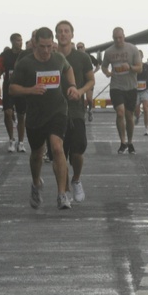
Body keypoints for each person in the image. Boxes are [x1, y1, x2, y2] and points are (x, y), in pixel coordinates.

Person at [11, 26, 81, 210]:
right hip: (35, 115)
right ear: (35, 44)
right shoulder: (25, 64)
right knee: (36, 155)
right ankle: (36, 183)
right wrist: (30, 90)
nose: (46, 51)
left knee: (57, 148)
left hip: (58, 110)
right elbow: (12, 89)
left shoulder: (58, 58)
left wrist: (72, 85)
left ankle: (62, 194)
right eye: (42, 46)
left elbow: (68, 68)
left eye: (49, 46)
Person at [56, 21, 96, 202]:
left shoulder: (82, 57)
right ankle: (64, 190)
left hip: (76, 109)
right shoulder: (51, 57)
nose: (63, 34)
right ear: (56, 36)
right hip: (55, 111)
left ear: (72, 35)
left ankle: (76, 179)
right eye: (60, 32)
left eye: (66, 31)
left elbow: (91, 80)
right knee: (59, 153)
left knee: (78, 151)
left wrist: (80, 92)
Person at [101, 27, 142, 154]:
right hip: (116, 86)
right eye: (115, 38)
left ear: (124, 36)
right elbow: (103, 66)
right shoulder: (108, 52)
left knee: (129, 116)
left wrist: (129, 67)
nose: (118, 40)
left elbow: (139, 68)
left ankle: (130, 142)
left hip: (130, 87)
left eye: (120, 37)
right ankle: (122, 142)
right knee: (120, 112)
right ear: (113, 38)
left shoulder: (132, 49)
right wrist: (107, 72)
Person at [0, 33, 27, 153]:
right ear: (12, 41)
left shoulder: (25, 55)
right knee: (8, 113)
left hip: (22, 88)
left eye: (21, 40)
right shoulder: (5, 55)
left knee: (21, 115)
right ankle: (11, 139)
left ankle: (21, 142)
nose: (20, 42)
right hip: (8, 88)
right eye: (18, 40)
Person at [77, 42, 99, 121]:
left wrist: (93, 72)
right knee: (80, 98)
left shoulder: (89, 57)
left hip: (88, 80)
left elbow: (98, 65)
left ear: (84, 48)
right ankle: (83, 112)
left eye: (81, 47)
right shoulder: (76, 57)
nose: (79, 49)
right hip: (80, 81)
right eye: (78, 47)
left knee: (89, 98)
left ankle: (90, 110)